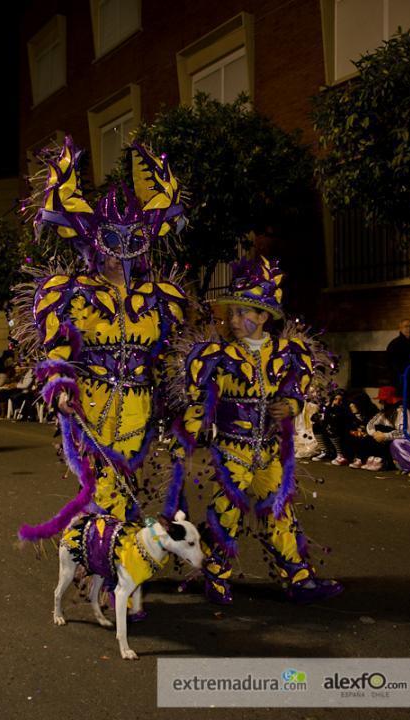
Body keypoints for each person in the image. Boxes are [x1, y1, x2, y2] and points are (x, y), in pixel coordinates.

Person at [18, 137, 187, 543]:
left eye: (132, 242)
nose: (120, 254)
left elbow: (168, 356)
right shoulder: (71, 293)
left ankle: (97, 555)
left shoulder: (162, 299)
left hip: (139, 406)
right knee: (104, 483)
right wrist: (58, 386)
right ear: (95, 244)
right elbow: (58, 350)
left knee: (125, 479)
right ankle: (115, 568)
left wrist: (183, 396)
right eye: (112, 242)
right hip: (90, 403)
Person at [169, 256, 343, 605]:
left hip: (270, 450)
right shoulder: (215, 356)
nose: (233, 320)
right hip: (232, 451)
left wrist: (291, 407)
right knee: (227, 512)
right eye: (231, 313)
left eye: (242, 313)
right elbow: (198, 403)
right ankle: (216, 575)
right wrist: (184, 441)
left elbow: (296, 392)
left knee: (280, 511)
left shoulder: (288, 353)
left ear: (264, 316)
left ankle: (298, 576)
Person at [355, 386, 410, 471]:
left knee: (391, 441)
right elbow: (371, 423)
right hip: (384, 437)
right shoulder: (384, 412)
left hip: (403, 442)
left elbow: (406, 432)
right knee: (368, 438)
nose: (381, 402)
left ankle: (385, 462)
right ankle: (366, 458)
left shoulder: (404, 413)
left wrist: (385, 435)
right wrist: (375, 433)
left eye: (383, 400)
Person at [386, 319, 410, 414]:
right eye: (406, 326)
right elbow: (391, 366)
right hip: (404, 384)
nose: (409, 329)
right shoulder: (394, 344)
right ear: (400, 328)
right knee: (409, 411)